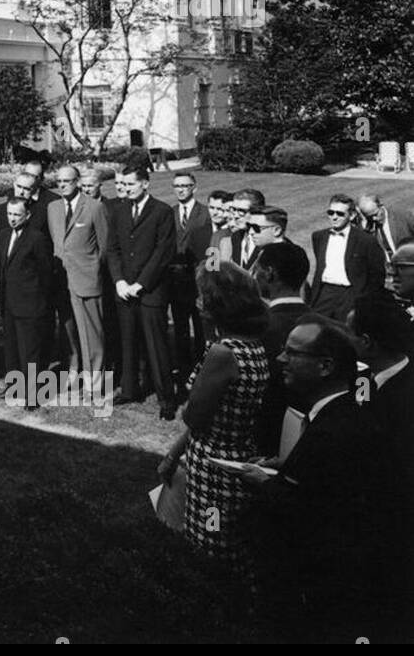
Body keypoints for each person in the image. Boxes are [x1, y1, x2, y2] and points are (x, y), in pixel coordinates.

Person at [238, 319, 412, 642]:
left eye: (292, 353)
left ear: (325, 366)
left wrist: (263, 482)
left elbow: (311, 510)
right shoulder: (344, 413)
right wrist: (290, 466)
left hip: (326, 596)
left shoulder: (334, 430)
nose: (280, 359)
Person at [158, 264, 269, 582]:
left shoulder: (223, 353)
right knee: (227, 551)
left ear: (217, 304)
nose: (198, 302)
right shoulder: (252, 345)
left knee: (208, 553)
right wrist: (172, 455)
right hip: (236, 464)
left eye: (203, 296)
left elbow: (194, 417)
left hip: (213, 474)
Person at [106, 164, 177, 418]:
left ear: (145, 183)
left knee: (156, 346)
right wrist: (119, 282)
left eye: (130, 184)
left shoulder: (162, 211)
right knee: (127, 342)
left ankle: (166, 400)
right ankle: (129, 389)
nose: (125, 189)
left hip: (151, 291)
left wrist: (141, 284)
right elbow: (112, 249)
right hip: (124, 289)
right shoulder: (118, 210)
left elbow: (163, 252)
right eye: (122, 185)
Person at [251, 241, 315, 457]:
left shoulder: (255, 330)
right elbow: (362, 383)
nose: (254, 275)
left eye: (257, 269)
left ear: (269, 274)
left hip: (262, 446)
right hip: (311, 443)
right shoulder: (333, 328)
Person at [48, 166, 109, 381]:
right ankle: (74, 370)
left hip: (86, 279)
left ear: (77, 182)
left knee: (92, 334)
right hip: (61, 280)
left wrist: (90, 270)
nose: (62, 185)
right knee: (69, 331)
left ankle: (95, 381)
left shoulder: (94, 208)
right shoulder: (53, 208)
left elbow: (104, 248)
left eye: (67, 181)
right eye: (59, 181)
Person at [349, 292, 414, 478]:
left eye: (348, 332)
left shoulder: (407, 399)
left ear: (366, 342)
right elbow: (358, 409)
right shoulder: (364, 378)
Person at [0, 196, 54, 408]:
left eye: (17, 215)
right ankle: (14, 388)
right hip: (10, 303)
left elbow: (46, 272)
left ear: (27, 215)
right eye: (10, 214)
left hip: (30, 304)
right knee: (11, 349)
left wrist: (39, 301)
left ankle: (32, 395)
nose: (12, 219)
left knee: (29, 352)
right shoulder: (4, 235)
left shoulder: (37, 239)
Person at [308, 193, 386, 321]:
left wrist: (364, 300)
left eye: (340, 214)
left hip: (351, 294)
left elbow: (377, 275)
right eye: (331, 212)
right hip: (324, 293)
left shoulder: (365, 240)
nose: (334, 217)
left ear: (352, 215)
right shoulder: (319, 237)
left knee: (347, 334)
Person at [169, 172, 212, 390]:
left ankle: (202, 368)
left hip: (198, 279)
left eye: (185, 186)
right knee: (180, 328)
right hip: (176, 282)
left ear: (194, 187)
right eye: (177, 186)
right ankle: (183, 369)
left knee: (201, 327)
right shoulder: (171, 213)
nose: (180, 190)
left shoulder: (206, 213)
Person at [357, 193, 414, 292]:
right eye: (369, 217)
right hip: (388, 273)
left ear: (381, 206)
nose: (374, 219)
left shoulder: (403, 217)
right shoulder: (368, 227)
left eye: (376, 214)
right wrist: (364, 223)